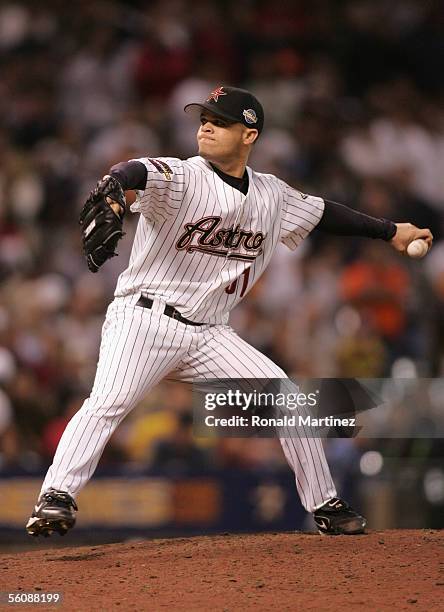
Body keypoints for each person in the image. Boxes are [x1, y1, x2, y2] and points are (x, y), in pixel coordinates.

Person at [26, 86, 432, 537]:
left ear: (249, 134)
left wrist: (391, 230)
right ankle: (56, 496)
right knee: (108, 403)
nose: (205, 126)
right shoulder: (183, 176)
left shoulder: (271, 195)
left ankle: (325, 505)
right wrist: (117, 187)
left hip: (210, 334)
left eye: (219, 121)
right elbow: (134, 169)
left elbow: (324, 214)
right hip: (144, 320)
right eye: (204, 118)